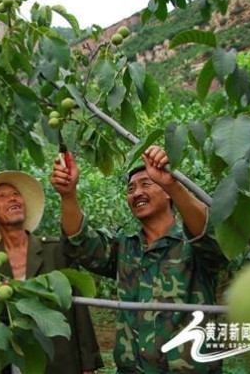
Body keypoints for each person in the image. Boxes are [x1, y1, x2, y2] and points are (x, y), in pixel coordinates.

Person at [50, 146, 227, 374]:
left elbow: (211, 239)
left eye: (146, 184)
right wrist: (68, 194)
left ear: (166, 193)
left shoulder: (193, 246)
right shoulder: (124, 247)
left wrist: (172, 184)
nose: (136, 193)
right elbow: (80, 243)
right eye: (131, 188)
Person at [0, 171, 103, 374]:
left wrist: (88, 365)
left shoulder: (56, 251)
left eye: (15, 194)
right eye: (2, 196)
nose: (12, 198)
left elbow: (79, 311)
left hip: (59, 364)